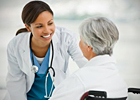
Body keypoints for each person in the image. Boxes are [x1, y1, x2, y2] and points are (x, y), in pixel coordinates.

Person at [4, 1, 87, 100]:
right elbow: (15, 80)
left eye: (50, 23)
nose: (47, 30)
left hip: (58, 97)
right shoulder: (15, 45)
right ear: (28, 27)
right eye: (39, 26)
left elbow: (85, 63)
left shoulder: (66, 38)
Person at [49, 17, 128, 100]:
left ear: (89, 46)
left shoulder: (78, 79)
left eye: (81, 40)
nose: (78, 44)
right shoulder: (120, 82)